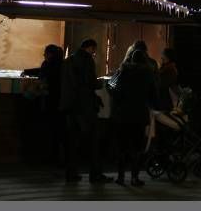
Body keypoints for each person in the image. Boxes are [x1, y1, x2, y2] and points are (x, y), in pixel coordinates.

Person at [60, 39, 112, 184]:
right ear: (91, 48)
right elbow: (90, 82)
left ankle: (71, 174)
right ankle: (95, 175)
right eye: (94, 50)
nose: (94, 53)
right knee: (94, 142)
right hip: (85, 107)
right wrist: (100, 83)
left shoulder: (69, 60)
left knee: (72, 142)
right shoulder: (86, 60)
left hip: (70, 107)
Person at [110, 49, 157, 186]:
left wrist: (118, 102)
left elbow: (111, 86)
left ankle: (120, 177)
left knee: (122, 146)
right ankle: (134, 178)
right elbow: (153, 95)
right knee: (137, 147)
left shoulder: (122, 71)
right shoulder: (148, 74)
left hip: (123, 114)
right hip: (139, 114)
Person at [22, 44, 64, 164]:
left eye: (45, 53)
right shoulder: (63, 65)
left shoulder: (47, 65)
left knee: (48, 129)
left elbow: (42, 80)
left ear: (50, 54)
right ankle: (58, 157)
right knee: (59, 131)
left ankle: (49, 156)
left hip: (49, 101)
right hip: (61, 102)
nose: (44, 55)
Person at [157, 48, 179, 113]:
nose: (161, 57)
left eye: (163, 54)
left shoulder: (169, 69)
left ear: (167, 56)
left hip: (165, 99)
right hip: (165, 99)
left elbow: (163, 84)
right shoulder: (168, 67)